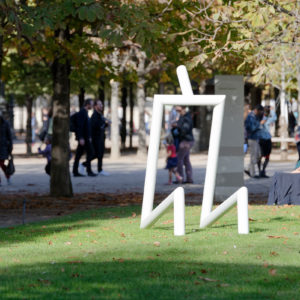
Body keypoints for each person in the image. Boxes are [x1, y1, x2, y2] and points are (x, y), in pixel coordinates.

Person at [82, 100, 109, 176]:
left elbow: (101, 126)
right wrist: (105, 124)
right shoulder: (94, 115)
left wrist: (106, 124)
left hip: (100, 137)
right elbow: (96, 127)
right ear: (95, 106)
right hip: (96, 138)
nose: (101, 106)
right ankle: (85, 164)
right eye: (100, 104)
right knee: (96, 154)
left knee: (99, 154)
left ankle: (99, 169)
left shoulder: (99, 115)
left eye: (102, 104)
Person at [72, 99, 96, 177]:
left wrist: (89, 137)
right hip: (84, 138)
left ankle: (76, 171)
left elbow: (86, 127)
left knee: (80, 154)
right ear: (87, 105)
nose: (92, 106)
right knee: (91, 153)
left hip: (85, 138)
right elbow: (80, 126)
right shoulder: (82, 113)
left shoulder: (85, 113)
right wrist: (81, 138)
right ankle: (87, 170)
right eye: (91, 104)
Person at [175, 106, 194, 184]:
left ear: (182, 108)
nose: (176, 109)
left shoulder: (186, 118)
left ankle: (180, 178)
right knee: (186, 160)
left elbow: (185, 129)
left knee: (179, 159)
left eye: (178, 108)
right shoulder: (182, 116)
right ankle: (189, 179)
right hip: (187, 140)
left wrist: (177, 128)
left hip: (186, 141)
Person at [244, 104, 264, 178]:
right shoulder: (251, 117)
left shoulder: (256, 116)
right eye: (260, 111)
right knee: (253, 156)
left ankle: (248, 168)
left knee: (259, 155)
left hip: (256, 138)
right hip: (252, 138)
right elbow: (251, 128)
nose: (261, 113)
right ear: (256, 110)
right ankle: (252, 173)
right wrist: (259, 124)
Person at [258, 105, 275, 178]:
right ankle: (259, 171)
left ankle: (263, 170)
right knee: (260, 156)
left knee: (267, 156)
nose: (265, 112)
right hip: (261, 139)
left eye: (267, 111)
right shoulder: (259, 118)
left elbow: (274, 117)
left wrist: (271, 110)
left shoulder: (269, 118)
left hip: (267, 139)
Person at [0, 111, 13, 186]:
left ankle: (8, 176)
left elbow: (9, 136)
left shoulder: (5, 123)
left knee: (1, 164)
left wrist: (10, 147)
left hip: (3, 147)